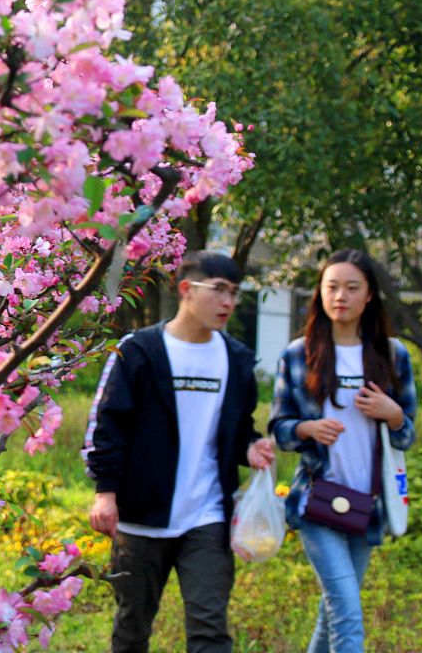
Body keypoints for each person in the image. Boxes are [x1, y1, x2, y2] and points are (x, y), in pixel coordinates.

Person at [84, 251, 275, 653]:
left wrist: (250, 447)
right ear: (187, 289)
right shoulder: (139, 350)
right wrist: (106, 491)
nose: (229, 302)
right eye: (219, 290)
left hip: (207, 516)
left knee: (210, 628)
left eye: (235, 293)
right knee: (132, 629)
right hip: (141, 519)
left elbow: (239, 428)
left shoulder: (237, 359)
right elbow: (107, 424)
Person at [268, 249, 418, 653]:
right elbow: (279, 430)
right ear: (320, 292)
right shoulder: (298, 354)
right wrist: (307, 427)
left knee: (332, 611)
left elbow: (408, 435)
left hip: (367, 504)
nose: (341, 297)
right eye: (332, 287)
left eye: (352, 288)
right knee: (348, 613)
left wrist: (394, 415)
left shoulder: (393, 355)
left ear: (369, 295)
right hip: (317, 501)